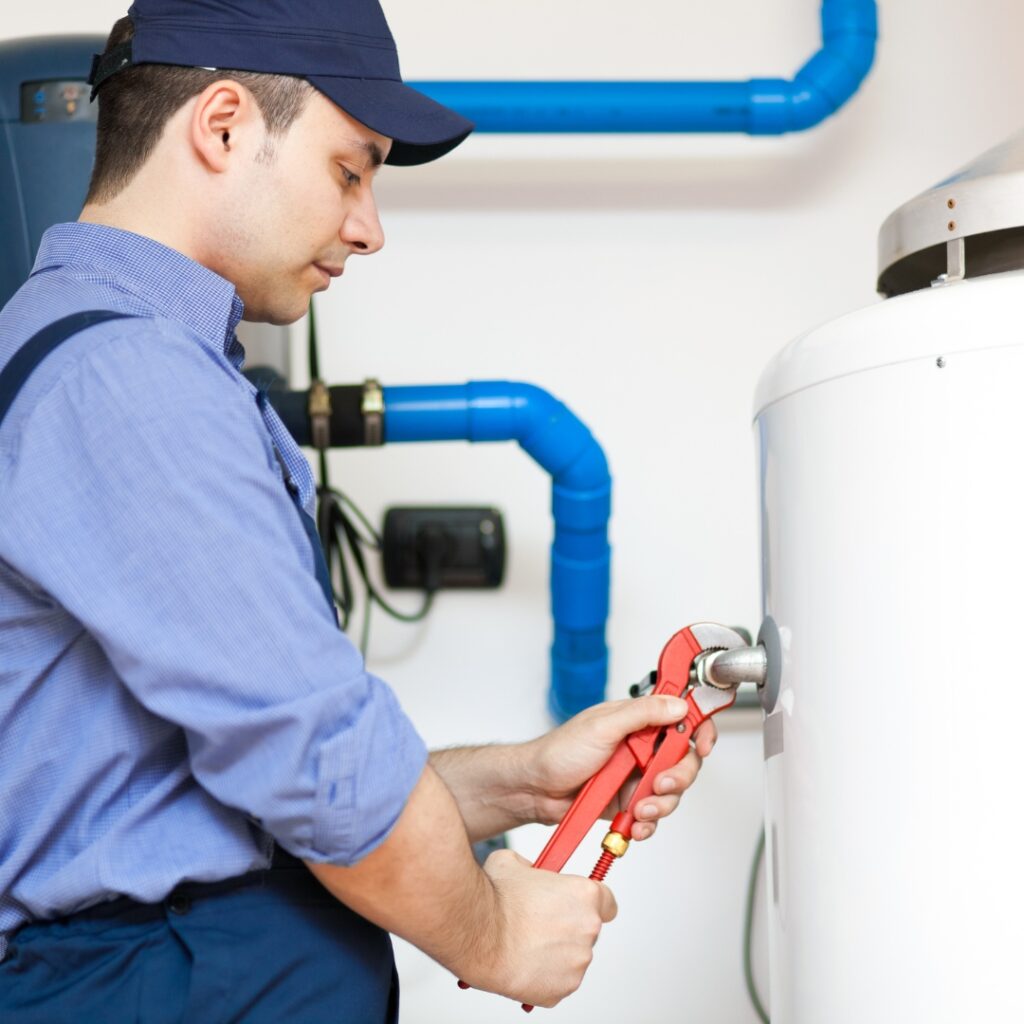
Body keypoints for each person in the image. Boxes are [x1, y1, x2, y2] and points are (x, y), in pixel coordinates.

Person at [0, 2, 716, 1020]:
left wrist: (517, 781)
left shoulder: (114, 357)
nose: (369, 227)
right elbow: (319, 766)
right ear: (222, 126)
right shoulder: (130, 377)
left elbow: (195, 802)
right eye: (350, 169)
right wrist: (497, 934)